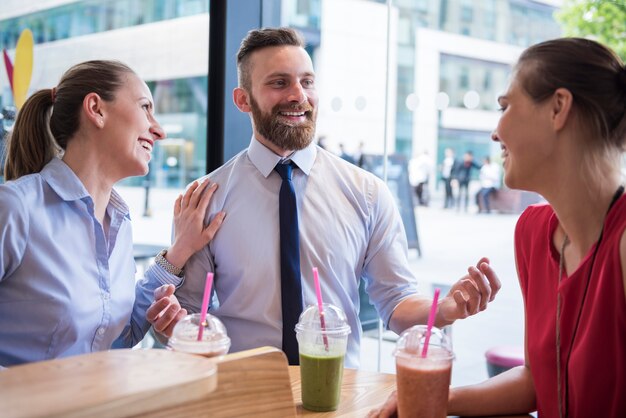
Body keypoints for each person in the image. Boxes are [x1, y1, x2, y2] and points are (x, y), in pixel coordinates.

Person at [175, 27, 501, 368]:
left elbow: (397, 303)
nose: (298, 95)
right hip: (244, 391)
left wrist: (446, 308)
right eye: (279, 82)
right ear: (243, 100)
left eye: (307, 81)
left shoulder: (368, 193)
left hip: (340, 395)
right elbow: (186, 319)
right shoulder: (207, 198)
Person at [369, 37, 626, 417]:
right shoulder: (534, 233)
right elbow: (538, 382)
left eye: (505, 107)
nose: (495, 133)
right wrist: (431, 398)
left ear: (558, 108)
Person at [0, 60, 224, 367]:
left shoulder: (119, 223)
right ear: (96, 108)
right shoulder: (15, 209)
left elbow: (116, 336)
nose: (158, 130)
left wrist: (179, 252)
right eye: (146, 107)